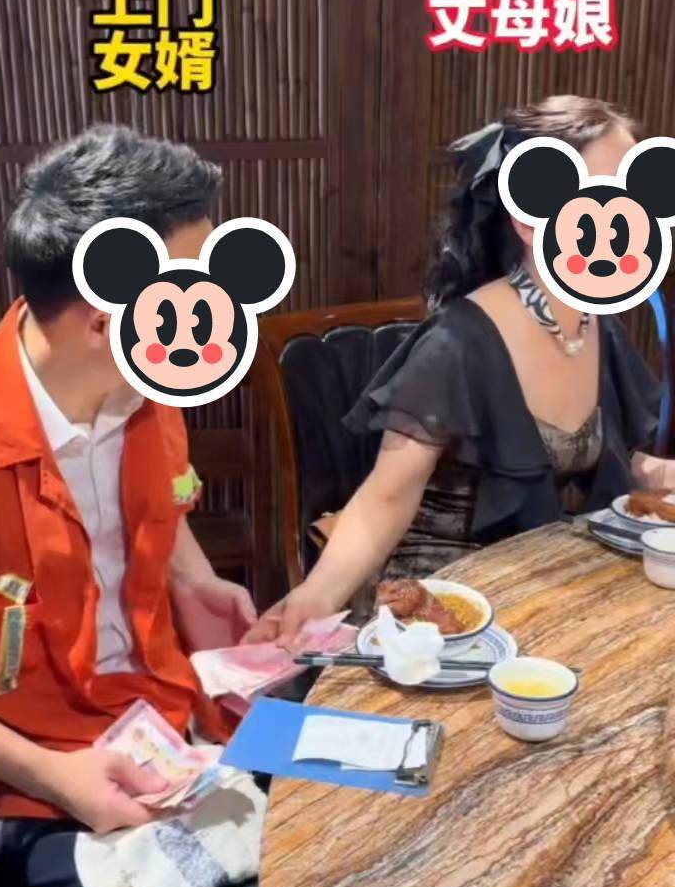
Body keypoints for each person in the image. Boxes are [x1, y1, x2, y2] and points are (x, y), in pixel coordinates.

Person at [0, 125, 269, 887]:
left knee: (378, 848)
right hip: (34, 788)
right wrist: (62, 776)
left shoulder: (149, 392)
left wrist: (198, 583)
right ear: (104, 313)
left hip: (174, 730)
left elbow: (157, 514)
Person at [250, 95, 666, 646]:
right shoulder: (459, 341)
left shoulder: (596, 325)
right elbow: (384, 499)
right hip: (446, 599)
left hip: (543, 574)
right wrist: (315, 597)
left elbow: (627, 457)